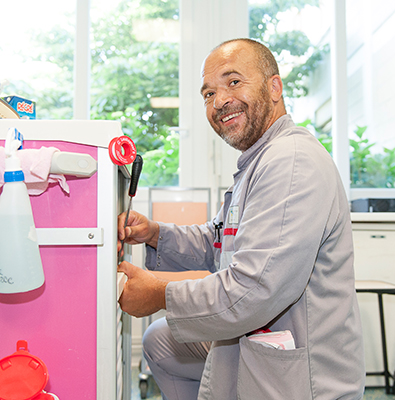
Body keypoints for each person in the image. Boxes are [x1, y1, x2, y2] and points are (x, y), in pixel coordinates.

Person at [117, 38, 365, 400]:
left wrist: (159, 294)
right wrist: (154, 234)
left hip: (300, 375)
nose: (219, 101)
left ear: (274, 87)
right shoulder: (259, 162)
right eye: (208, 93)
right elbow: (218, 240)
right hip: (254, 339)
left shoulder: (290, 162)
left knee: (170, 332)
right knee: (162, 342)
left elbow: (253, 289)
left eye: (233, 82)